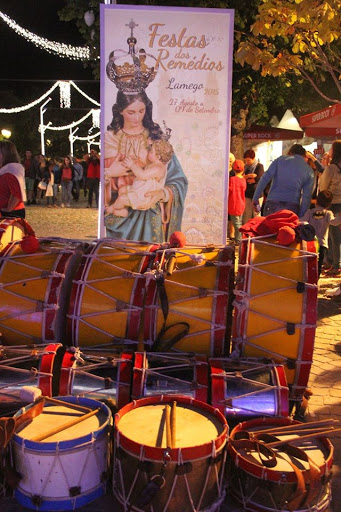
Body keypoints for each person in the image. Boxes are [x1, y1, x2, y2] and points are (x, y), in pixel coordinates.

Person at [104, 90, 188, 242]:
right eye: (131, 112)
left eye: (141, 111)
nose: (137, 118)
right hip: (119, 213)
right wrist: (108, 173)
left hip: (150, 215)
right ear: (120, 110)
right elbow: (101, 182)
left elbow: (178, 180)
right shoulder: (109, 138)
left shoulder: (157, 139)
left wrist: (162, 194)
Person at [105, 138, 172, 217]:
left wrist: (132, 165)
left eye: (151, 152)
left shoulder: (158, 168)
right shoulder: (154, 164)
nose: (148, 153)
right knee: (122, 190)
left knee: (122, 199)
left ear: (158, 156)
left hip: (143, 196)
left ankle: (111, 209)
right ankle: (125, 211)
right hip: (139, 189)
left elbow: (142, 175)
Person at [253, 144, 314, 218]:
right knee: (286, 229)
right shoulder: (309, 170)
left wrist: (255, 199)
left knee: (271, 228)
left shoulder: (280, 160)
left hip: (273, 202)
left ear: (290, 152)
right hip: (292, 205)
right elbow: (306, 197)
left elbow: (264, 179)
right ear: (304, 156)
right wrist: (300, 215)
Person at [300, 190, 341, 277]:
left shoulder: (309, 212)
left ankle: (307, 280)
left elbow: (301, 221)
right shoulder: (328, 213)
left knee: (307, 264)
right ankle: (315, 282)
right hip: (322, 244)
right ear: (329, 204)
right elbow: (334, 222)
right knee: (318, 266)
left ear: (316, 201)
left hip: (310, 244)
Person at [318, 140, 341, 275]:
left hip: (334, 204)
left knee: (334, 237)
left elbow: (323, 187)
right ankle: (334, 262)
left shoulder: (332, 168)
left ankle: (336, 264)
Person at [0, 140, 27, 218]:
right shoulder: (4, 170)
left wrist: (8, 209)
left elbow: (17, 193)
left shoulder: (12, 170)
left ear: (7, 154)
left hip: (11, 212)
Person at [242, 149, 264, 224]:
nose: (247, 162)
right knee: (246, 214)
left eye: (248, 160)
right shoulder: (245, 167)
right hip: (247, 194)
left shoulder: (259, 166)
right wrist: (250, 176)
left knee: (256, 214)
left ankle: (257, 231)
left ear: (253, 158)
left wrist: (251, 178)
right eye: (246, 160)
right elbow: (242, 177)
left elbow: (259, 178)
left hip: (257, 195)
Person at [228, 159, 246, 245]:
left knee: (237, 224)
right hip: (241, 204)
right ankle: (238, 239)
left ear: (233, 168)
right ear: (243, 169)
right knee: (239, 222)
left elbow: (229, 190)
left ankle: (239, 241)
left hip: (233, 204)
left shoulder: (232, 179)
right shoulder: (243, 180)